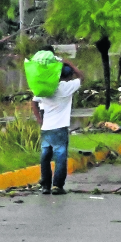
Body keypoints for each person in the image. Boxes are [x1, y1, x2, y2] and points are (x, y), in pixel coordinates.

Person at [30, 58, 83, 195]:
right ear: (68, 76)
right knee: (60, 155)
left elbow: (34, 102)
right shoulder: (66, 87)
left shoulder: (46, 87)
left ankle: (46, 186)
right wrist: (70, 63)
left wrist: (39, 119)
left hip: (46, 128)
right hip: (60, 128)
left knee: (45, 156)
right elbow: (82, 77)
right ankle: (57, 186)